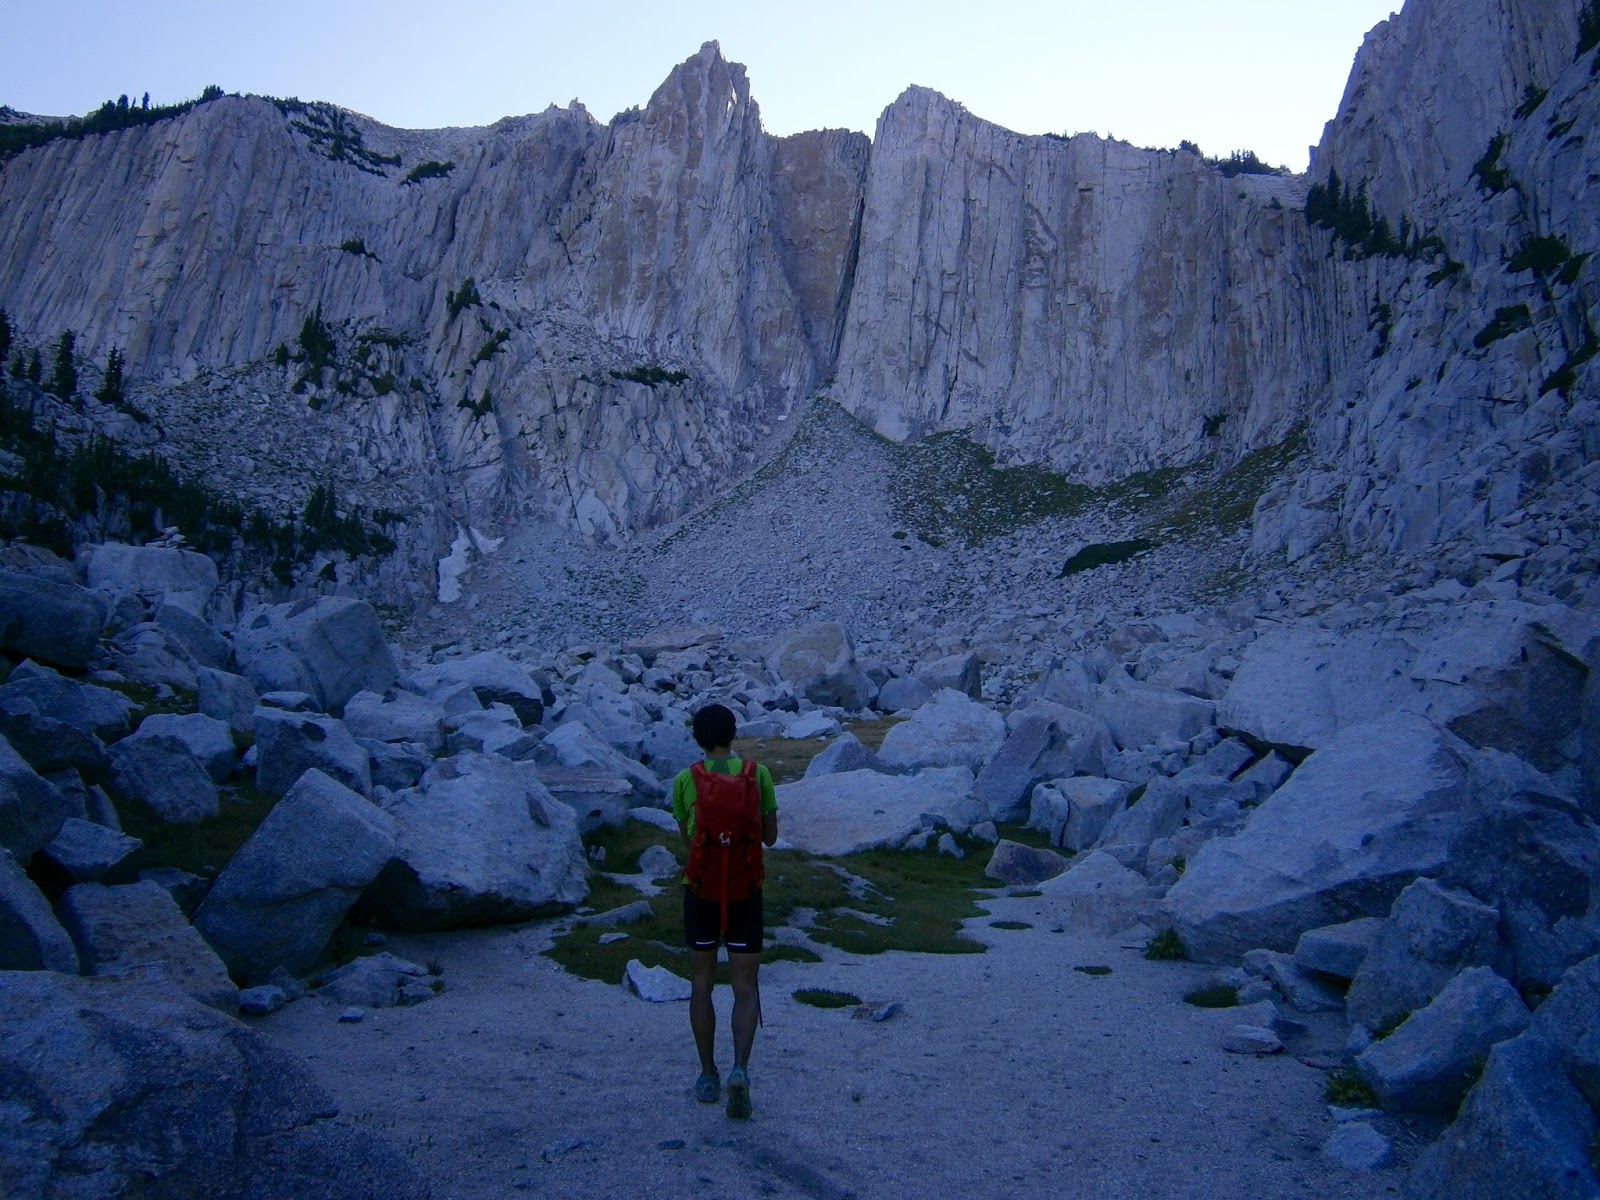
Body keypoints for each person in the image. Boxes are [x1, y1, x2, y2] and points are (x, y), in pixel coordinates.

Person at [671, 703, 778, 1119]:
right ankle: (740, 1069)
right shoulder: (759, 775)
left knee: (701, 983)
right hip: (745, 892)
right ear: (734, 735)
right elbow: (770, 837)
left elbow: (688, 839)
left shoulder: (685, 780)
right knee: (745, 986)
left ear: (697, 738)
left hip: (701, 892)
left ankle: (706, 1075)